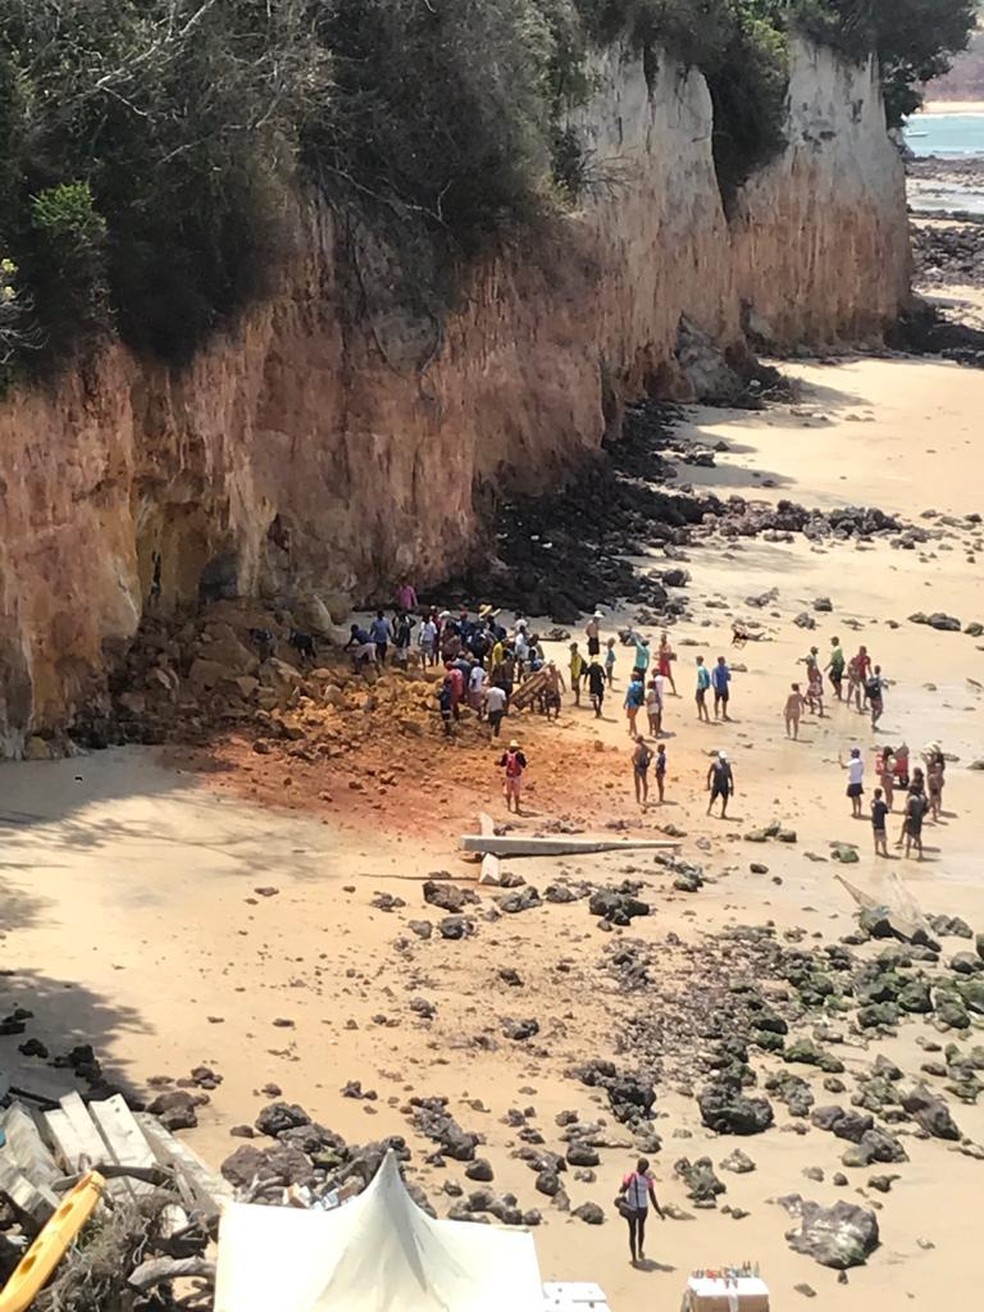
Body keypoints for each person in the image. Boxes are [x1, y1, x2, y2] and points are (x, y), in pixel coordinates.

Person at [618, 1157, 664, 1267]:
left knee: (632, 1232)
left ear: (637, 1165)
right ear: (646, 1169)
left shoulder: (630, 1176)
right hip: (643, 1209)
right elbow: (653, 1198)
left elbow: (622, 1190)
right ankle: (640, 1250)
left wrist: (623, 1189)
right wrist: (659, 1212)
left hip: (632, 1208)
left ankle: (634, 1258)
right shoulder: (648, 1180)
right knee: (641, 1229)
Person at [500, 740, 527, 814]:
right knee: (516, 793)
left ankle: (509, 807)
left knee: (508, 792)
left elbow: (502, 764)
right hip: (517, 775)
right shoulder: (520, 755)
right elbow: (524, 764)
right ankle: (517, 808)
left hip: (508, 775)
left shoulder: (506, 754)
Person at [706, 750, 734, 818]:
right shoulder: (715, 764)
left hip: (725, 785)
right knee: (713, 798)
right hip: (717, 784)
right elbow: (709, 774)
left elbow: (730, 775)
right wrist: (708, 785)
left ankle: (723, 813)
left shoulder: (727, 765)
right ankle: (709, 809)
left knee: (725, 799)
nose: (723, 760)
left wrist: (732, 786)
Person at [903, 786, 926, 860]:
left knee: (909, 837)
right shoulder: (923, 798)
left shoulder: (911, 799)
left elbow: (907, 809)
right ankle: (920, 854)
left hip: (911, 819)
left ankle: (907, 854)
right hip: (918, 819)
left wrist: (906, 816)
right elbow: (926, 809)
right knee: (918, 837)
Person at [843, 745, 865, 818]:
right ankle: (859, 812)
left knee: (854, 798)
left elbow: (843, 767)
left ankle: (855, 811)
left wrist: (840, 761)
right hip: (858, 781)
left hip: (853, 782)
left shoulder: (852, 762)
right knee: (858, 797)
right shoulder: (861, 762)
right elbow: (862, 771)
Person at [632, 735, 652, 808]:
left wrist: (634, 763)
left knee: (637, 783)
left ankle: (638, 799)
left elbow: (633, 757)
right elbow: (652, 752)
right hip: (644, 766)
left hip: (638, 766)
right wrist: (649, 759)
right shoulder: (645, 747)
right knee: (644, 781)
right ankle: (644, 797)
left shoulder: (637, 747)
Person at [624, 672, 645, 736]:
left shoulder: (632, 685)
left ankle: (635, 732)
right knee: (632, 717)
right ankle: (630, 730)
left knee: (632, 718)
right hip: (638, 703)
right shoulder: (640, 684)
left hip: (632, 702)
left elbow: (629, 694)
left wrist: (625, 703)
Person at [711, 655, 731, 721]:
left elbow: (728, 678)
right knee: (716, 701)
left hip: (725, 687)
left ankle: (724, 714)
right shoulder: (715, 669)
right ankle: (716, 715)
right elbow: (713, 679)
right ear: (720, 661)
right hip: (718, 688)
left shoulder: (726, 668)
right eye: (723, 660)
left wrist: (729, 676)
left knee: (725, 701)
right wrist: (715, 687)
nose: (724, 661)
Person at [927, 750, 945, 822]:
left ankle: (936, 811)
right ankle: (938, 809)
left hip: (935, 781)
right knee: (938, 795)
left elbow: (936, 773)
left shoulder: (937, 765)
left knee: (933, 796)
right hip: (939, 780)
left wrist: (932, 776)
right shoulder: (941, 764)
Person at [866, 664, 886, 730]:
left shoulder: (870, 677)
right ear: (879, 670)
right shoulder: (879, 678)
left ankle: (873, 723)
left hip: (872, 697)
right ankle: (873, 723)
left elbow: (867, 685)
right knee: (880, 710)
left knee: (874, 710)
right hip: (877, 697)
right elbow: (882, 685)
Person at [871, 787, 890, 857]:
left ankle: (876, 850)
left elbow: (873, 809)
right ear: (881, 795)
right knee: (883, 838)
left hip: (874, 821)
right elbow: (886, 811)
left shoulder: (872, 802)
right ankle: (885, 851)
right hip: (881, 822)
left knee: (876, 837)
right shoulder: (882, 804)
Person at [875, 746, 895, 811]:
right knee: (888, 791)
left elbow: (885, 769)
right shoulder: (889, 759)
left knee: (888, 791)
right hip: (889, 776)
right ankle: (888, 804)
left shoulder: (888, 759)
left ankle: (889, 805)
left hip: (887, 776)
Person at [826, 636, 845, 701]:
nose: (831, 642)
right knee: (831, 677)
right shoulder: (837, 648)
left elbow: (833, 660)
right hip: (839, 665)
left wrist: (826, 667)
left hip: (838, 666)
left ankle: (839, 695)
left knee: (837, 681)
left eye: (832, 641)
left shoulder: (836, 650)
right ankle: (837, 690)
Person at [569, 643, 587, 707]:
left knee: (577, 687)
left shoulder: (577, 655)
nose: (570, 649)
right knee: (575, 687)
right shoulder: (573, 655)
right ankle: (577, 700)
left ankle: (577, 701)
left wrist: (576, 676)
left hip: (576, 673)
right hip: (573, 672)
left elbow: (578, 666)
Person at [695, 655, 711, 723]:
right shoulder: (703, 668)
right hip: (701, 687)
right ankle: (700, 715)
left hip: (700, 687)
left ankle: (706, 716)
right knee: (697, 699)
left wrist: (702, 686)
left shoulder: (700, 669)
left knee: (701, 701)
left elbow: (703, 678)